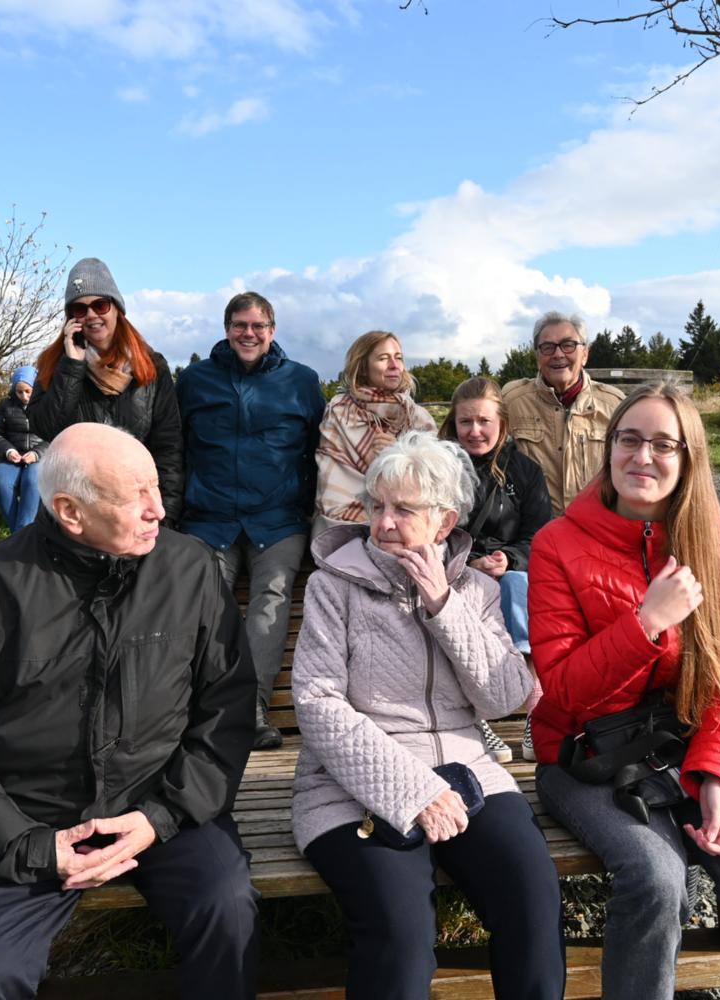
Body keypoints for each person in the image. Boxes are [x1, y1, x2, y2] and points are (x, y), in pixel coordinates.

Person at [0, 423, 259, 1000]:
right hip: (27, 825)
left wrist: (159, 818)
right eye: (136, 497)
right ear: (69, 511)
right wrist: (36, 849)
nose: (158, 510)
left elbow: (227, 708)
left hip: (161, 807)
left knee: (228, 912)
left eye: (157, 488)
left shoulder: (188, 568)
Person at [529, 380, 720, 1000]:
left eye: (663, 444)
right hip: (587, 756)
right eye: (629, 439)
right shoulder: (557, 545)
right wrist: (646, 624)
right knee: (656, 881)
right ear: (609, 448)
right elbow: (562, 690)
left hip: (690, 745)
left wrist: (719, 777)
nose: (642, 457)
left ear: (688, 460)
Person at [292, 431, 564, 1000]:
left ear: (444, 522)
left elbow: (507, 695)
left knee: (532, 901)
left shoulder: (475, 590)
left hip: (469, 769)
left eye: (403, 510)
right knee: (401, 934)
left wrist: (444, 606)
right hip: (352, 784)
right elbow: (317, 704)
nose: (384, 522)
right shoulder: (330, 587)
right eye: (376, 507)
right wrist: (414, 791)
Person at [178, 291, 327, 751]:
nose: (249, 333)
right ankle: (209, 709)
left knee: (273, 597)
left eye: (258, 326)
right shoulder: (195, 380)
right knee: (207, 601)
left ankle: (253, 709)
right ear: (226, 329)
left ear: (272, 331)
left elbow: (323, 449)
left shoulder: (301, 381)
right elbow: (174, 446)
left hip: (277, 519)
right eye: (240, 325)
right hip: (209, 517)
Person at [439, 376, 552, 764]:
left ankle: (537, 711)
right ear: (453, 424)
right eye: (465, 422)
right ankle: (477, 718)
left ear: (502, 422)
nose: (475, 431)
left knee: (520, 585)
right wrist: (469, 563)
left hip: (508, 574)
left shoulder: (525, 471)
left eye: (484, 421)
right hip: (451, 569)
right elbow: (422, 531)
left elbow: (538, 535)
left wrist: (509, 560)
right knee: (459, 598)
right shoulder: (438, 467)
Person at [29, 257, 184, 525]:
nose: (91, 315)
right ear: (71, 318)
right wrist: (72, 366)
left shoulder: (151, 366)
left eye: (100, 305)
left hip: (135, 502)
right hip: (78, 502)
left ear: (116, 309)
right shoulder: (55, 363)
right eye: (79, 309)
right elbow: (47, 428)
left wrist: (165, 518)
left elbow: (168, 448)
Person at [501, 311, 625, 517]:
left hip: (597, 529)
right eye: (547, 347)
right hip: (534, 532)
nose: (558, 354)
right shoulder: (512, 401)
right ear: (537, 356)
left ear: (585, 354)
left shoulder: (614, 405)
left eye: (568, 345)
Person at [314, 329, 436, 535]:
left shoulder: (417, 418)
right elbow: (332, 482)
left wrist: (397, 456)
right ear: (363, 368)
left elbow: (434, 481)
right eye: (383, 358)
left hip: (407, 527)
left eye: (398, 358)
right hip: (344, 524)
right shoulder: (340, 413)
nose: (394, 365)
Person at [0, 365, 46, 533]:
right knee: (1, 481)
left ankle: (20, 537)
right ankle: (21, 535)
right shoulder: (6, 405)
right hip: (11, 457)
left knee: (32, 481)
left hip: (39, 457)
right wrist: (8, 451)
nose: (24, 396)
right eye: (19, 392)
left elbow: (54, 436)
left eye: (28, 391)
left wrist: (36, 453)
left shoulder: (46, 403)